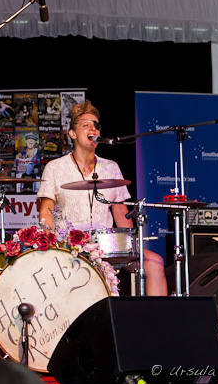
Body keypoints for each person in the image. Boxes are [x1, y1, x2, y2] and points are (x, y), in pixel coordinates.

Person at [36, 100, 168, 296]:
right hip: (70, 246)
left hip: (106, 248)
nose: (93, 128)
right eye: (85, 124)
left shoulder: (111, 167)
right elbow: (45, 211)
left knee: (155, 263)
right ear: (72, 133)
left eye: (96, 125)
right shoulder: (55, 167)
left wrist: (129, 247)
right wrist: (53, 243)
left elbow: (121, 212)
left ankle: (159, 326)